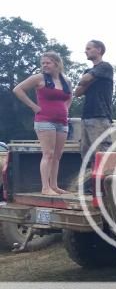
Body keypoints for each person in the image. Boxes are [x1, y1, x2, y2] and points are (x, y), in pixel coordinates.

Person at [12, 52, 72, 195]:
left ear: (57, 64)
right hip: (45, 120)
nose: (44, 65)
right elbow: (18, 90)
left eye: (48, 63)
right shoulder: (38, 78)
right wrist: (33, 106)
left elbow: (70, 97)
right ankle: (45, 188)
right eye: (43, 63)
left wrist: (66, 110)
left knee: (57, 155)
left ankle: (54, 185)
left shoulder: (66, 81)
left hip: (62, 122)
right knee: (48, 153)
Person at [74, 40, 114, 176]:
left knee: (101, 152)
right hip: (86, 116)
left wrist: (88, 80)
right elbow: (77, 92)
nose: (86, 51)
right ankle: (90, 185)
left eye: (89, 48)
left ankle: (105, 185)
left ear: (99, 50)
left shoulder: (106, 67)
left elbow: (84, 80)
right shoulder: (89, 70)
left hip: (100, 116)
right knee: (87, 154)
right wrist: (90, 79)